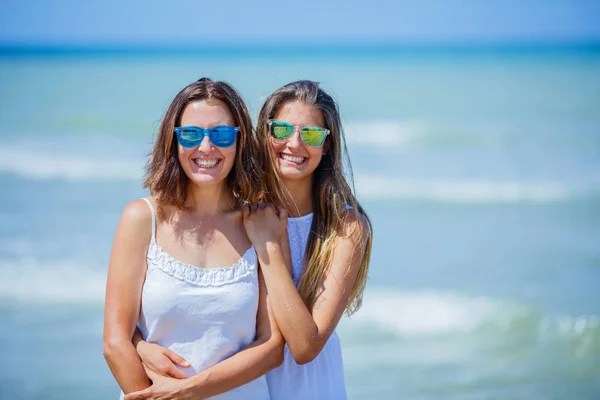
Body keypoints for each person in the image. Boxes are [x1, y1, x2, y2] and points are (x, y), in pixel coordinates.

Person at [135, 80, 373, 399]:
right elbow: (186, 301)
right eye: (282, 130)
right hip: (240, 389)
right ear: (264, 134)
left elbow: (305, 345)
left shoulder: (345, 227)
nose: (295, 143)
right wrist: (140, 345)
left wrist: (269, 245)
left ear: (327, 145)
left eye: (312, 134)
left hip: (312, 390)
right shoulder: (237, 212)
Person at [103, 78, 284, 400]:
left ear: (239, 141)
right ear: (173, 140)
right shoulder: (142, 218)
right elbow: (115, 342)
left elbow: (271, 347)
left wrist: (188, 391)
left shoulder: (260, 223)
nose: (205, 147)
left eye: (221, 134)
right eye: (191, 134)